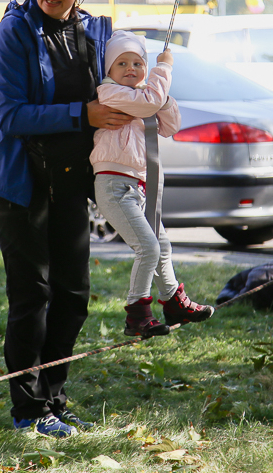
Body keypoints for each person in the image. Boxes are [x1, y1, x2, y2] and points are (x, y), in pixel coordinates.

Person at [0, 0, 128, 438]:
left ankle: (53, 397)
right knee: (32, 292)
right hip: (17, 178)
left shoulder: (95, 30)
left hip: (71, 177)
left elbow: (118, 82)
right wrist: (83, 114)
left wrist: (147, 92)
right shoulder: (15, 30)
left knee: (73, 294)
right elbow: (10, 115)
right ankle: (28, 411)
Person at [89, 31, 213, 337]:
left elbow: (171, 125)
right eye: (122, 63)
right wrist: (164, 69)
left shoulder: (144, 97)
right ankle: (137, 316)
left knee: (162, 245)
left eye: (137, 63)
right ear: (109, 71)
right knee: (147, 247)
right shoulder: (109, 93)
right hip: (114, 186)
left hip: (139, 187)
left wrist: (163, 96)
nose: (131, 68)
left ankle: (173, 301)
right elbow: (149, 103)